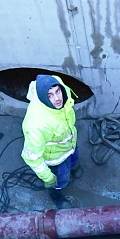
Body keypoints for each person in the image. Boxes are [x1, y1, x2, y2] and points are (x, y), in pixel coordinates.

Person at [21, 73, 78, 208]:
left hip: (70, 144)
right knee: (59, 180)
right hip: (56, 159)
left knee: (74, 160)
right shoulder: (36, 125)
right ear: (42, 97)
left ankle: (72, 169)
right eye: (50, 96)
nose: (57, 98)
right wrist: (48, 177)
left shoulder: (61, 87)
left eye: (57, 92)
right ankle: (56, 195)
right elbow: (32, 157)